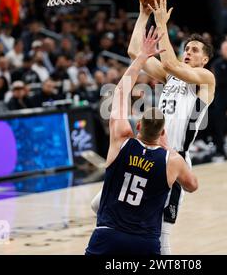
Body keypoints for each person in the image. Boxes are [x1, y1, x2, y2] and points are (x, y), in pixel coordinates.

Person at [85, 27, 198, 255]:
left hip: (109, 234)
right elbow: (193, 185)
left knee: (100, 203)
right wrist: (169, 150)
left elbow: (119, 93)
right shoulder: (171, 160)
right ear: (162, 131)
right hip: (144, 242)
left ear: (138, 126)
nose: (188, 52)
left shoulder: (121, 140)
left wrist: (142, 54)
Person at [127, 0, 215, 254]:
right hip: (149, 151)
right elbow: (135, 53)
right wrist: (143, 15)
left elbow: (170, 62)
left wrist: (161, 23)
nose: (188, 52)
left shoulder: (205, 79)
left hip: (174, 160)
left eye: (195, 50)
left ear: (205, 60)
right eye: (187, 48)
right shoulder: (170, 75)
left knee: (162, 234)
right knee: (101, 206)